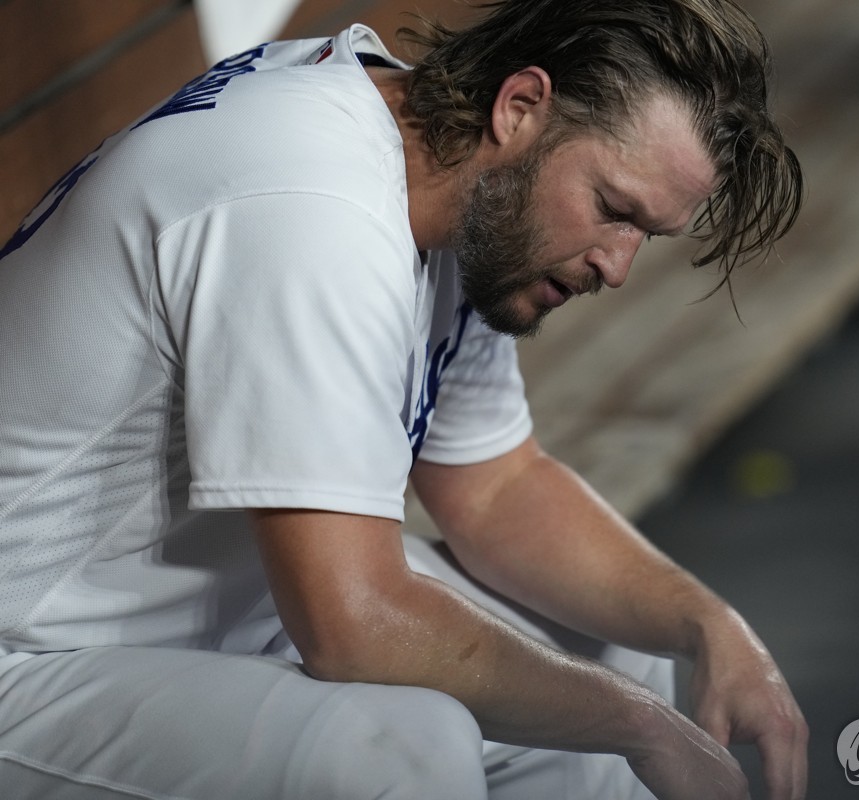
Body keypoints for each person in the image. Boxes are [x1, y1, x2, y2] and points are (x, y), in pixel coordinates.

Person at [0, 1, 806, 798]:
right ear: (520, 106)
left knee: (617, 654)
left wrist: (711, 626)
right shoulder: (317, 210)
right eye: (613, 209)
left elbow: (495, 489)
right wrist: (644, 725)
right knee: (404, 750)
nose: (618, 265)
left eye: (645, 233)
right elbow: (350, 623)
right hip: (33, 658)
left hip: (205, 622)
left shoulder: (459, 183)